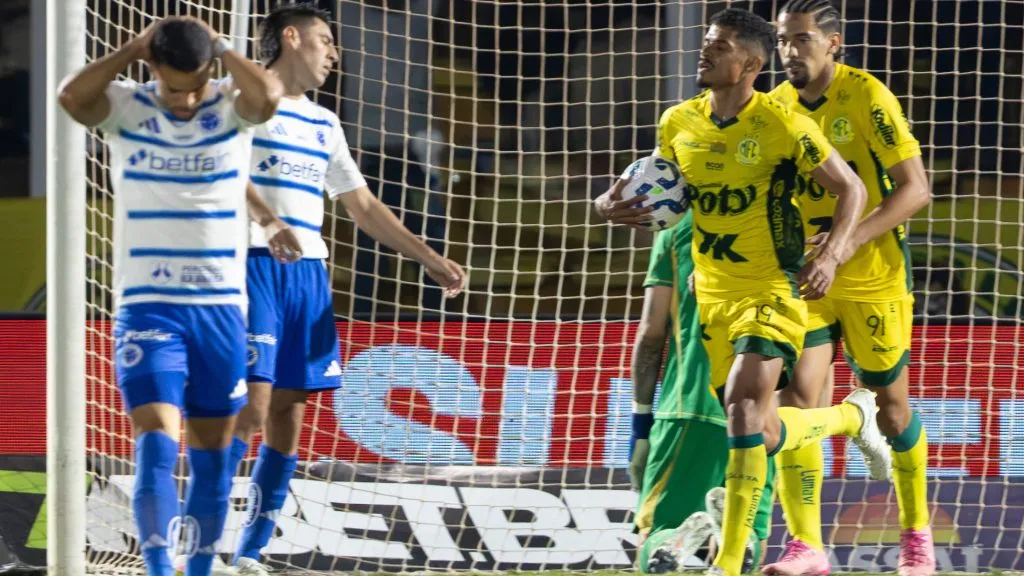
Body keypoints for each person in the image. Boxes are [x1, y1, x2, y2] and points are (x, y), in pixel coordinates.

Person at [596, 9, 890, 576]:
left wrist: (830, 254)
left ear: (751, 64)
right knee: (762, 427)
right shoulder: (678, 121)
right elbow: (658, 193)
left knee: (741, 408)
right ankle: (852, 418)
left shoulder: (781, 124)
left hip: (771, 288)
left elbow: (850, 189)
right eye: (707, 43)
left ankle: (729, 562)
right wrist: (606, 207)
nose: (704, 53)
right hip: (712, 295)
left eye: (720, 46)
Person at [194, 6, 466, 575]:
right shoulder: (235, 98)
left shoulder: (324, 122)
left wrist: (429, 258)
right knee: (252, 408)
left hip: (308, 273)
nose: (334, 54)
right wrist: (267, 223)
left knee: (289, 418)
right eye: (325, 41)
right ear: (290, 39)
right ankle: (199, 548)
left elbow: (361, 205)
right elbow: (214, 166)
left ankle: (249, 553)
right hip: (249, 262)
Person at [57, 16, 283, 576]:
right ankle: (158, 568)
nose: (186, 97)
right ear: (152, 67)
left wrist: (221, 48)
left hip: (221, 311)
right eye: (174, 84)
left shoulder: (230, 108)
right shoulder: (126, 106)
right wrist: (134, 46)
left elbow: (269, 94)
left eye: (196, 82)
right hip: (148, 305)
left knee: (211, 451)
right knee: (156, 439)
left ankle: (200, 569)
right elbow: (69, 96)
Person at [765, 2, 934, 575]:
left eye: (803, 39)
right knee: (797, 400)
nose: (790, 51)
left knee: (892, 409)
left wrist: (843, 245)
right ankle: (806, 544)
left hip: (871, 276)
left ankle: (917, 539)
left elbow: (915, 191)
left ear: (833, 43)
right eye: (783, 41)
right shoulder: (777, 107)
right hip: (808, 277)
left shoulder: (867, 97)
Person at [631, 211, 776, 574]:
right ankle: (736, 546)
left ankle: (671, 543)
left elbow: (651, 333)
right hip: (763, 412)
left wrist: (640, 425)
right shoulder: (786, 221)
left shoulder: (676, 225)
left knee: (657, 533)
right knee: (746, 538)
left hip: (688, 405)